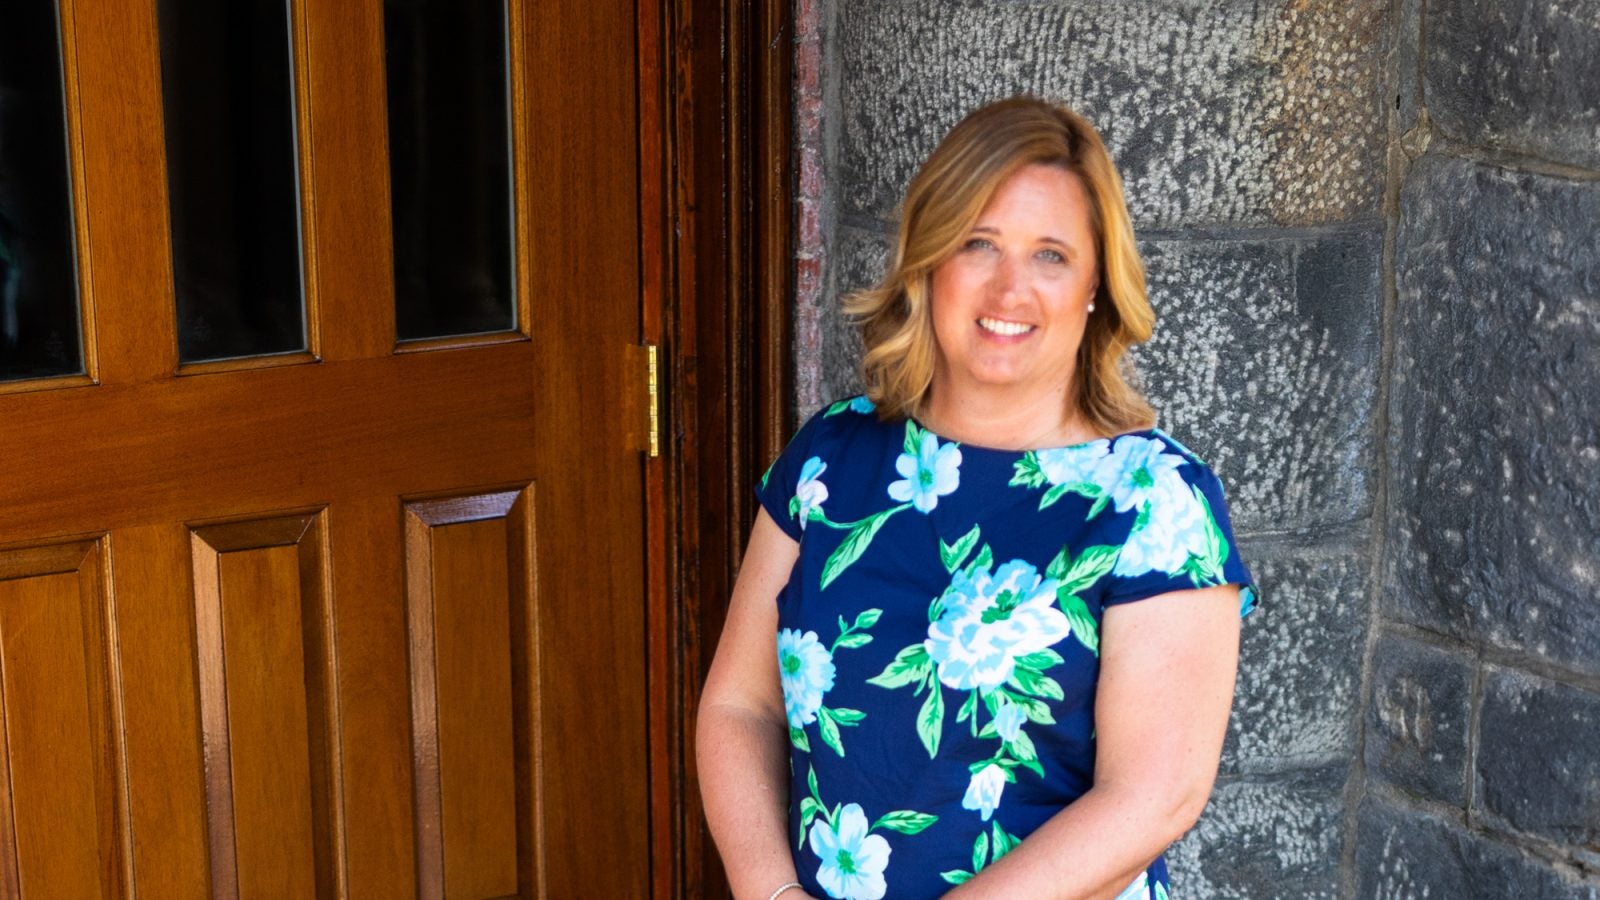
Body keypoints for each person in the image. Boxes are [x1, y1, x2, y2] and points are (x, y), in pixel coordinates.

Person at [698, 96, 1257, 900]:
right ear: (930, 261)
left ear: (1097, 283)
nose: (1010, 289)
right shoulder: (831, 459)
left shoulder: (1152, 502)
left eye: (1051, 256)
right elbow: (738, 707)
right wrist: (772, 894)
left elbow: (1153, 795)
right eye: (978, 244)